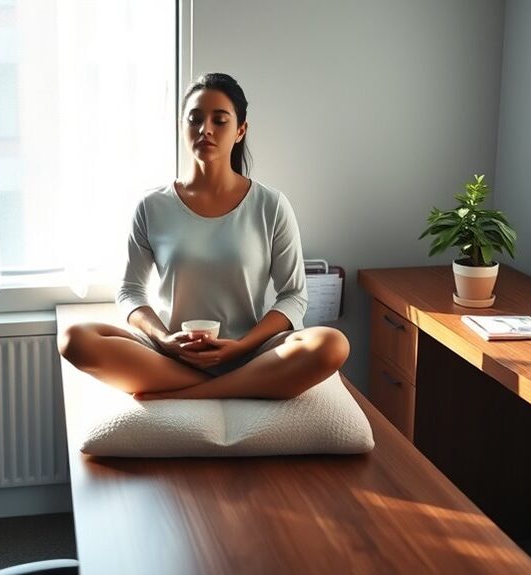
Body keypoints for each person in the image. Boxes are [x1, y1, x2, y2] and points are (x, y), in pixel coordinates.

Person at [58, 73, 349, 400]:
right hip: (171, 354)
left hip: (249, 355)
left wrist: (240, 347)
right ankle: (220, 388)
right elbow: (130, 291)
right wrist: (164, 339)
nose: (205, 129)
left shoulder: (271, 205)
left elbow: (294, 295)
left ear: (240, 130)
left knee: (332, 345)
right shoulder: (152, 206)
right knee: (74, 338)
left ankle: (189, 392)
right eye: (194, 119)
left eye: (219, 120)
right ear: (182, 127)